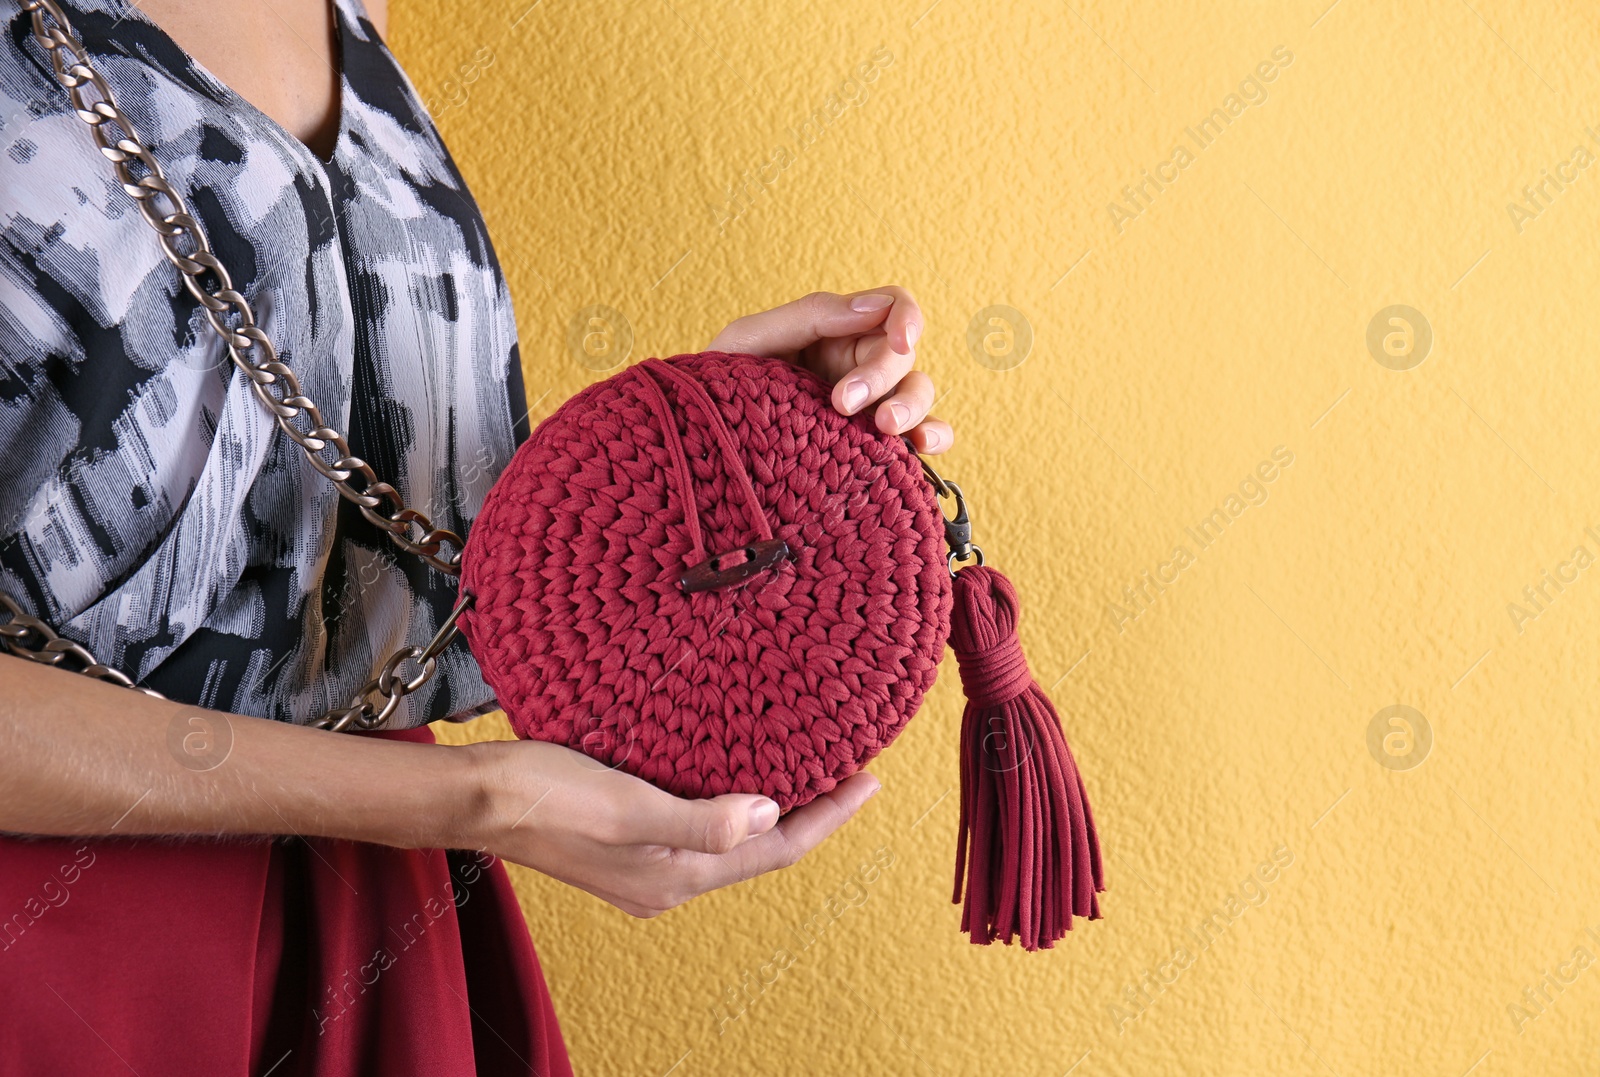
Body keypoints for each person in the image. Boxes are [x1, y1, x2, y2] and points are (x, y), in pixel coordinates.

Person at [0, 0, 952, 1073]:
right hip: (59, 955)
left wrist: (710, 445)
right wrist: (472, 800)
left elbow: (322, 502)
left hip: (381, 906)